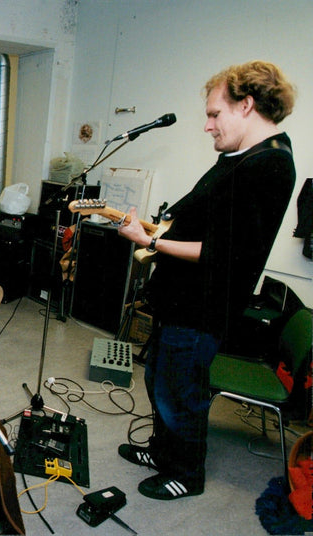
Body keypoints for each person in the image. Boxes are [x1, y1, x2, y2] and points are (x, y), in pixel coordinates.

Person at [116, 60, 296, 500]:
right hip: (178, 300)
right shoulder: (240, 158)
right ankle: (163, 452)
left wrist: (151, 243)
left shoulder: (269, 165)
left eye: (215, 114)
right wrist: (161, 231)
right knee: (159, 379)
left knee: (181, 394)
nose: (208, 126)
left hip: (200, 310)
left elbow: (224, 254)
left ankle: (186, 474)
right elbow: (203, 224)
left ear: (246, 105)